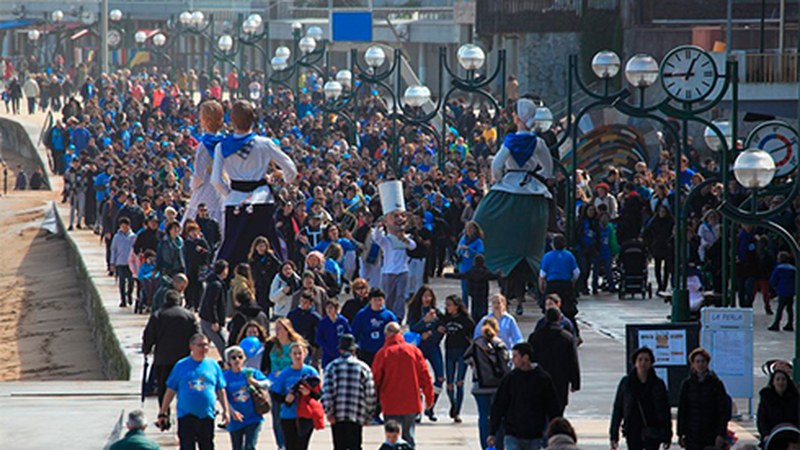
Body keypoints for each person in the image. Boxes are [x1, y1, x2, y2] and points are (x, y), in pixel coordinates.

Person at [473, 97, 554, 315]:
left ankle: (489, 256)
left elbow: (497, 165)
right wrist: (538, 176)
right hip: (534, 190)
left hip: (508, 186)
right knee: (548, 216)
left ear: (517, 117)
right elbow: (548, 169)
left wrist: (499, 180)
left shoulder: (508, 141)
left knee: (481, 217)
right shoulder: (539, 143)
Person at [211, 100, 298, 268]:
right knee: (268, 248)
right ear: (253, 120)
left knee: (233, 251)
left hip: (235, 202)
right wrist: (283, 178)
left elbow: (215, 180)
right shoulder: (265, 144)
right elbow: (291, 170)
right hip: (262, 201)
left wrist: (230, 193)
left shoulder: (222, 146)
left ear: (232, 121)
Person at [157, 334, 231, 450]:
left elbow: (221, 390)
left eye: (206, 345)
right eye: (200, 345)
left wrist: (226, 411)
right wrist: (163, 412)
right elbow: (170, 390)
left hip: (207, 415)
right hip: (186, 415)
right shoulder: (181, 365)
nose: (204, 348)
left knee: (207, 445)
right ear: (191, 346)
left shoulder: (213, 365)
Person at [488, 342, 562, 450]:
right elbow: (499, 406)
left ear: (525, 357)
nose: (513, 360)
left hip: (535, 434)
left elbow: (553, 406)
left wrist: (555, 430)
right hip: (512, 433)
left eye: (515, 356)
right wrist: (492, 432)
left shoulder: (542, 379)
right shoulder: (510, 379)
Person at [372, 322, 435, 448]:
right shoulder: (414, 351)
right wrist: (429, 397)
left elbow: (375, 380)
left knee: (392, 439)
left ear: (386, 335)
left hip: (390, 403)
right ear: (400, 333)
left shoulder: (383, 353)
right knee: (409, 438)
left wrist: (372, 403)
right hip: (411, 402)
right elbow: (425, 376)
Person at [142, 290, 200, 409]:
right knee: (184, 387)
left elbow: (149, 335)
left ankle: (164, 413)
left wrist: (146, 349)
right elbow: (197, 336)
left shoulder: (158, 315)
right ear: (180, 301)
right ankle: (183, 412)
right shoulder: (189, 316)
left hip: (163, 359)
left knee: (163, 387)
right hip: (184, 359)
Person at [321, 334, 377, 450]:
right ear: (354, 350)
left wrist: (329, 412)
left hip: (337, 414)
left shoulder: (332, 367)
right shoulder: (364, 367)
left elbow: (327, 392)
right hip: (356, 414)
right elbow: (370, 393)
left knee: (339, 446)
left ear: (340, 350)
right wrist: (369, 414)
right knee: (355, 446)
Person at [609, 347, 672, 450]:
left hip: (653, 429)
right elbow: (618, 409)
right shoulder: (626, 383)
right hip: (632, 429)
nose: (643, 363)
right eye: (640, 359)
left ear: (651, 363)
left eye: (646, 360)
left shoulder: (658, 384)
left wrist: (667, 435)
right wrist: (613, 435)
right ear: (635, 362)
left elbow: (665, 411)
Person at [465, 317, 511, 450]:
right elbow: (505, 365)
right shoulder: (500, 344)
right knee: (499, 416)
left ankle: (485, 446)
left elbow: (466, 358)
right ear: (496, 329)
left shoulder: (476, 344)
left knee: (483, 417)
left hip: (480, 386)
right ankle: (499, 444)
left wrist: (476, 367)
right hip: (498, 387)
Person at [270, 342, 321, 450]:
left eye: (300, 353)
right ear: (290, 356)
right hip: (288, 416)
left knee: (302, 446)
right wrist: (285, 399)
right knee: (290, 446)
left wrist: (309, 393)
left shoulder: (311, 371)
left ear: (305, 354)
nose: (297, 356)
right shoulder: (285, 373)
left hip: (306, 415)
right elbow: (275, 394)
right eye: (295, 354)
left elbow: (319, 394)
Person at [677, 348, 731, 450]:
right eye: (697, 361)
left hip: (711, 433)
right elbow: (682, 410)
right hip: (692, 434)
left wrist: (721, 433)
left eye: (703, 361)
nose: (700, 364)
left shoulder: (716, 384)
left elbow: (722, 410)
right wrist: (680, 434)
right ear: (692, 364)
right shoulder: (687, 384)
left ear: (707, 363)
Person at [528, 308, 580, 415]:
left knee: (541, 410)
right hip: (560, 380)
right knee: (558, 410)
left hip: (540, 378)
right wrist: (575, 382)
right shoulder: (567, 338)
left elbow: (530, 359)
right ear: (559, 319)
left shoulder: (535, 337)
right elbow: (573, 361)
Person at [265, 318, 307, 449]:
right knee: (277, 417)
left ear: (287, 330)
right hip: (276, 385)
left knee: (292, 416)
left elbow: (302, 364)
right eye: (276, 328)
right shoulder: (272, 344)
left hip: (291, 385)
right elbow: (265, 364)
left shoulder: (295, 345)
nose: (276, 331)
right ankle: (281, 444)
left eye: (279, 328)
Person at [185, 101, 226, 228]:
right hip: (223, 185)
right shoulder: (225, 141)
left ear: (206, 120)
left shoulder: (204, 145)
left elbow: (199, 175)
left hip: (206, 189)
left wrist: (192, 186)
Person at [407, 286, 445, 421]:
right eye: (424, 296)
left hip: (433, 347)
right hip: (419, 348)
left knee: (440, 377)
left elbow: (441, 330)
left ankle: (430, 406)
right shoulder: (415, 311)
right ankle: (417, 408)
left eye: (429, 296)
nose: (427, 299)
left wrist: (430, 333)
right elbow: (412, 328)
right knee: (417, 379)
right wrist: (424, 321)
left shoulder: (437, 312)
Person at [222, 345, 270, 450]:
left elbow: (268, 383)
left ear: (244, 358)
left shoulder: (251, 372)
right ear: (228, 361)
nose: (237, 360)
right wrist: (231, 411)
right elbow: (222, 396)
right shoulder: (225, 377)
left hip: (253, 416)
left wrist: (255, 382)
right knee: (237, 447)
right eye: (233, 358)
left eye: (240, 356)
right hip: (235, 418)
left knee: (250, 446)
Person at [372, 210, 416, 321]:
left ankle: (399, 317)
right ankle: (388, 314)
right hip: (388, 271)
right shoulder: (386, 239)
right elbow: (376, 238)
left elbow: (413, 246)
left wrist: (404, 239)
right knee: (388, 296)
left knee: (400, 295)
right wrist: (379, 226)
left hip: (402, 270)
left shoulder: (406, 237)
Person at [438, 294, 474, 423]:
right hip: (449, 351)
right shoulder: (445, 319)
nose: (447, 308)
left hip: (462, 352)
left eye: (450, 305)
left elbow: (473, 335)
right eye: (446, 305)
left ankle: (457, 411)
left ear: (457, 306)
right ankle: (453, 404)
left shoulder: (466, 320)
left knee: (460, 382)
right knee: (449, 383)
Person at [538, 234, 580, 338]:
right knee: (569, 311)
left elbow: (542, 275)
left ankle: (547, 332)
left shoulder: (547, 256)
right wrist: (572, 283)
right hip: (566, 285)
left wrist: (541, 287)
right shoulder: (569, 256)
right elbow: (576, 273)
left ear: (553, 245)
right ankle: (576, 335)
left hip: (552, 285)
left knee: (549, 309)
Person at [444, 254, 501, 322]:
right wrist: (499, 273)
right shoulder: (485, 272)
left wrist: (447, 275)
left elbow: (460, 275)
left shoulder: (471, 272)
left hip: (474, 294)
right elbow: (494, 276)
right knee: (483, 310)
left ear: (474, 262)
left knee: (474, 310)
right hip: (483, 294)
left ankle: (474, 322)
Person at [351, 288, 398, 365]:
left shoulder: (389, 316)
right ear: (370, 301)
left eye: (380, 300)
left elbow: (396, 333)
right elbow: (355, 332)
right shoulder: (362, 315)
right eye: (375, 300)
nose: (378, 302)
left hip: (384, 351)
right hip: (366, 352)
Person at [756, 367, 799, 444]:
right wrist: (765, 434)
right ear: (773, 382)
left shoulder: (795, 398)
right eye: (778, 379)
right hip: (771, 436)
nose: (781, 382)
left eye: (783, 379)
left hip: (792, 435)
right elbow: (761, 419)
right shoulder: (766, 398)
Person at [198, 260, 229, 361]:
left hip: (206, 318)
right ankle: (228, 364)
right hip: (210, 321)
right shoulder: (216, 285)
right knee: (222, 344)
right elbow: (211, 304)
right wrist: (215, 320)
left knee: (202, 344)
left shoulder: (212, 282)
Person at [249, 236, 282, 315]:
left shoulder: (270, 257)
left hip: (269, 283)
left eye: (263, 246)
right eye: (260, 246)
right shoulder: (253, 258)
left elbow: (279, 266)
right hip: (258, 285)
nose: (261, 248)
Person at [456, 221, 485, 306]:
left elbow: (480, 254)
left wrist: (469, 249)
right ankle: (465, 309)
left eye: (471, 228)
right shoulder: (463, 239)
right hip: (464, 268)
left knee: (473, 292)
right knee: (464, 291)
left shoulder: (478, 241)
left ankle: (474, 310)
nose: (469, 230)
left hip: (473, 268)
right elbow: (458, 251)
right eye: (467, 228)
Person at [317, 299, 352, 368]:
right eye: (327, 308)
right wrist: (326, 347)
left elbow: (349, 335)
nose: (328, 310)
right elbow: (319, 337)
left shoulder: (343, 321)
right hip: (328, 353)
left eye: (331, 307)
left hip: (341, 352)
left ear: (336, 309)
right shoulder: (323, 322)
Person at [111, 217, 137, 307]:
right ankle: (123, 300)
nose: (124, 228)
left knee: (131, 282)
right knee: (121, 282)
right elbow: (113, 250)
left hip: (131, 263)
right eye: (122, 226)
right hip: (120, 262)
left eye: (125, 226)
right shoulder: (117, 237)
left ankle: (129, 294)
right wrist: (112, 263)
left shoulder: (133, 237)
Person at [769, 251, 796, 332]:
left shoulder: (779, 268)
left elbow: (773, 280)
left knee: (780, 308)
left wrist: (774, 288)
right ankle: (790, 324)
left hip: (782, 290)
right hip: (791, 291)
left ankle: (776, 324)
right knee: (789, 308)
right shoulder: (793, 269)